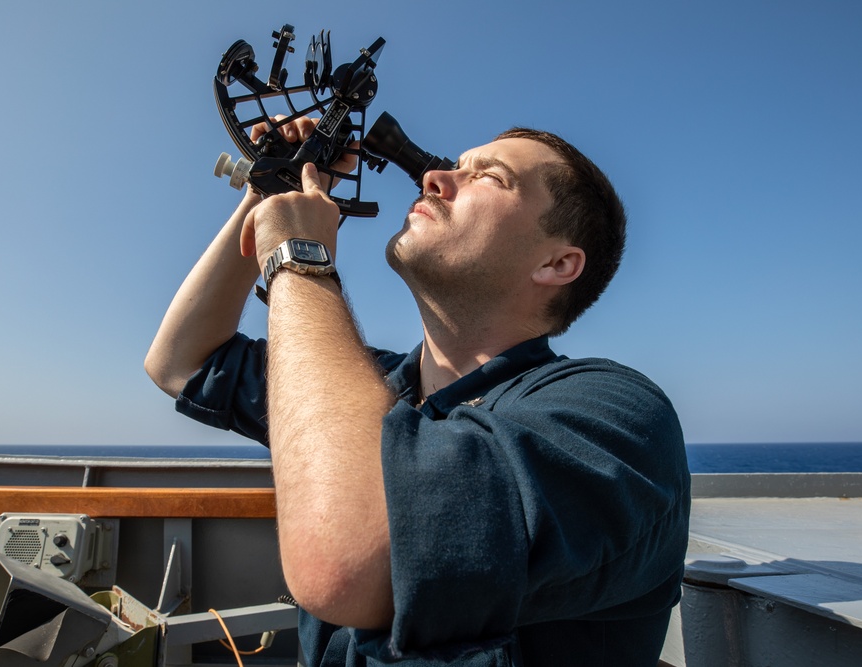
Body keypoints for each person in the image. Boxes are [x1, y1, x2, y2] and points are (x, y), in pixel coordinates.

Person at [146, 116, 690, 666]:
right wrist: (270, 192)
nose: (433, 176)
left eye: (491, 178)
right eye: (453, 164)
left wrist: (298, 258)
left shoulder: (615, 418)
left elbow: (351, 561)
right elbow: (180, 361)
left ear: (558, 263)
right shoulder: (367, 387)